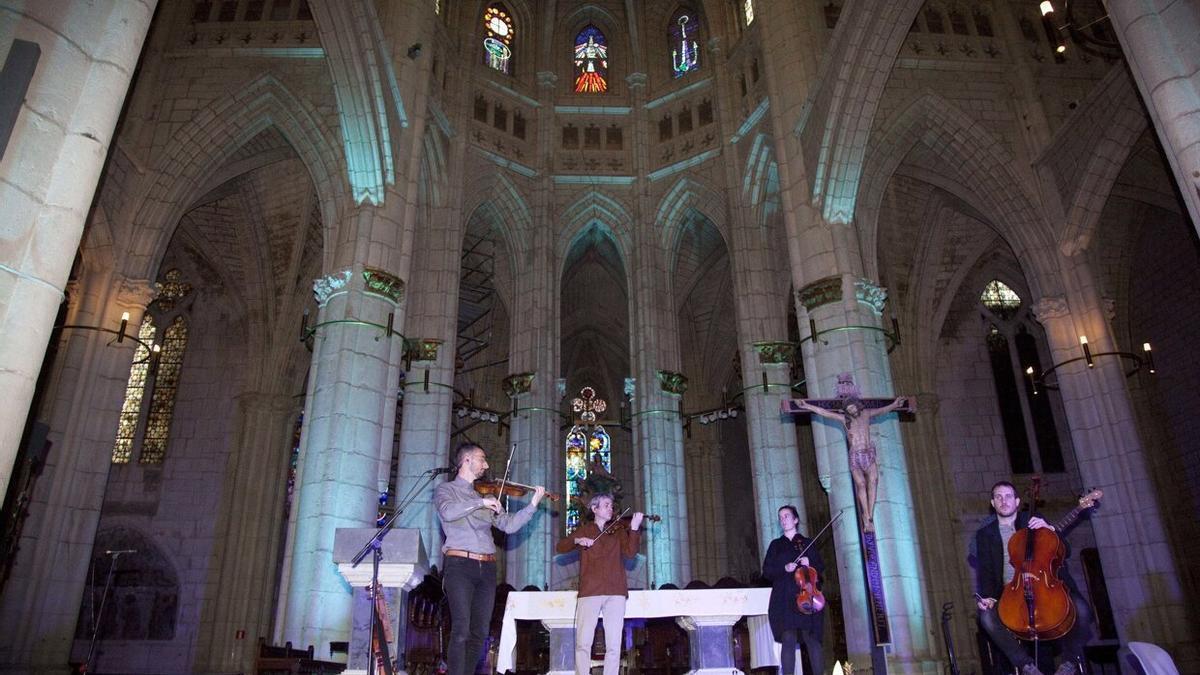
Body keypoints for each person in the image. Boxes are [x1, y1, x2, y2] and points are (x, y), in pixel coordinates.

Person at [434, 442, 545, 675]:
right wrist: (480, 502)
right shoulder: (447, 490)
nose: (486, 465)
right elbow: (448, 512)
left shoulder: (486, 496)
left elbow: (508, 525)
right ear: (466, 461)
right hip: (460, 565)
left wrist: (533, 504)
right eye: (481, 459)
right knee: (461, 629)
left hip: (486, 568)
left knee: (480, 632)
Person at [972, 481, 1091, 675]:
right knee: (986, 617)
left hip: (1046, 587)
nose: (1004, 501)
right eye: (998, 497)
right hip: (1011, 594)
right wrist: (988, 597)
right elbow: (986, 571)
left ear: (1017, 501)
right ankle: (1026, 665)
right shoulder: (985, 535)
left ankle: (1068, 663)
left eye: (1008, 496)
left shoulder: (1034, 522)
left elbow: (1065, 551)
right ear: (993, 503)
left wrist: (1049, 529)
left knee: (1083, 611)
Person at [555, 494, 643, 675]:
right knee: (583, 642)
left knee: (614, 643)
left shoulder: (618, 530)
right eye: (606, 505)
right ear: (594, 509)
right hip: (590, 592)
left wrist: (633, 529)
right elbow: (561, 547)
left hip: (615, 591)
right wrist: (577, 540)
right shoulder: (585, 529)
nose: (611, 508)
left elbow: (630, 554)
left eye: (611, 505)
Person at [794, 396, 908, 532]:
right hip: (855, 455)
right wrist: (806, 406)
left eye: (853, 407)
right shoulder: (844, 419)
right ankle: (865, 514)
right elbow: (825, 412)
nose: (852, 410)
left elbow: (881, 410)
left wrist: (895, 404)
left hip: (868, 454)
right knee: (861, 484)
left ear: (857, 406)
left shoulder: (866, 414)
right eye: (848, 409)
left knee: (874, 481)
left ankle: (869, 516)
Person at [763, 505, 824, 675]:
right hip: (784, 598)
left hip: (808, 596)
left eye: (787, 516)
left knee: (812, 639)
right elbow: (766, 572)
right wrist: (784, 567)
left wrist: (809, 563)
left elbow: (820, 567)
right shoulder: (776, 545)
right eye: (781, 517)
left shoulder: (807, 543)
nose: (783, 520)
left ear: (796, 519)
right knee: (788, 638)